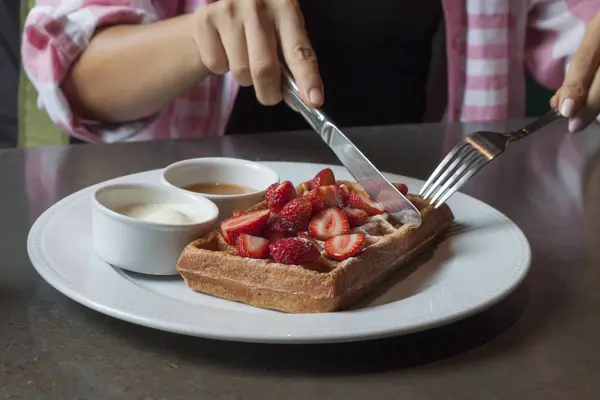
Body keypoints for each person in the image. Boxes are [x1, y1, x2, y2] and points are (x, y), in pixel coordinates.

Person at [21, 0, 600, 144]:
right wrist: (200, 39)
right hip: (179, 249)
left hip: (440, 252)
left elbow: (576, 27)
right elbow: (72, 71)